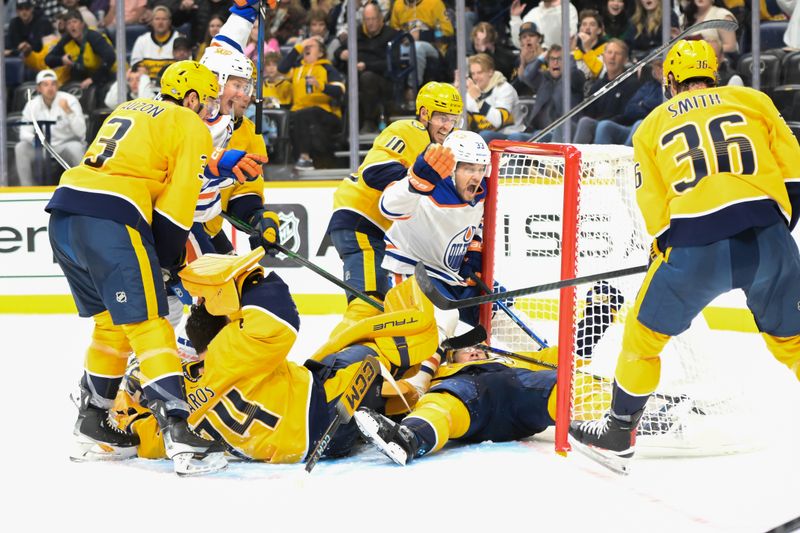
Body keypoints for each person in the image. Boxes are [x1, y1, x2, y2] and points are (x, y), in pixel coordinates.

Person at [569, 40, 800, 474]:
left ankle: (619, 433)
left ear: (670, 82)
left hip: (698, 246)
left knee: (642, 339)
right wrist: (775, 235)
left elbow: (656, 217)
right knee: (795, 343)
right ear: (714, 72)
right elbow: (795, 173)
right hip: (769, 237)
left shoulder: (651, 126)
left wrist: (668, 257)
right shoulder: (754, 100)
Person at [45, 59, 266, 476]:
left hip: (65, 213)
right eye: (210, 102)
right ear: (193, 97)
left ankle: (94, 423)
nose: (212, 112)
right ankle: (181, 433)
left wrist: (214, 167)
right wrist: (165, 262)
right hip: (112, 219)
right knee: (152, 323)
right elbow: (176, 211)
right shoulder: (190, 122)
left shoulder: (127, 108)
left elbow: (138, 167)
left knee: (113, 323)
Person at [110, 252, 440, 463]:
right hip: (323, 409)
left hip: (302, 443)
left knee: (344, 347)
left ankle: (400, 388)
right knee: (367, 347)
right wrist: (246, 277)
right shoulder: (234, 348)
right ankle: (434, 352)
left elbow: (150, 441)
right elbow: (278, 314)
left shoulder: (179, 412)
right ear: (227, 326)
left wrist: (131, 415)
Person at [353, 288, 628, 466]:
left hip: (517, 395)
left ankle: (626, 418)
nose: (473, 350)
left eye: (477, 346)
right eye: (465, 348)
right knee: (441, 405)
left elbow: (566, 356)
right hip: (468, 403)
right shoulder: (439, 373)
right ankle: (410, 439)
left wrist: (597, 315)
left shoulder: (509, 362)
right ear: (450, 355)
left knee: (566, 384)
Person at [326, 81, 463, 336]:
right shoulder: (408, 130)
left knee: (384, 309)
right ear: (424, 114)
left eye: (453, 118)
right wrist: (414, 176)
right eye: (442, 117)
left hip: (378, 231)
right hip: (360, 219)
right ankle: (331, 363)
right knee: (367, 305)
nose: (448, 125)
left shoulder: (437, 146)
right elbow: (373, 172)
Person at [380, 130, 488, 328]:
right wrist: (414, 183)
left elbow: (478, 225)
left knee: (502, 309)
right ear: (452, 169)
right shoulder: (429, 187)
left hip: (453, 278)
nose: (477, 177)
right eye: (469, 169)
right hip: (414, 274)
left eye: (481, 169)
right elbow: (388, 207)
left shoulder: (481, 192)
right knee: (444, 321)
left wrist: (473, 254)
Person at [278, 35, 346, 170]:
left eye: (312, 45)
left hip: (325, 112)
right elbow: (282, 68)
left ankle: (305, 158)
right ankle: (282, 162)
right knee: (290, 116)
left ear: (320, 52)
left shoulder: (327, 68)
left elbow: (339, 90)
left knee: (307, 113)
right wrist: (298, 47)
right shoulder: (297, 69)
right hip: (298, 111)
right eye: (306, 46)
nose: (307, 47)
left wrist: (320, 85)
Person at [333, 1, 398, 133]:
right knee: (346, 83)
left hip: (384, 79)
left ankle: (369, 121)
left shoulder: (391, 35)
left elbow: (393, 62)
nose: (370, 23)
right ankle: (344, 131)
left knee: (367, 78)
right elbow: (338, 50)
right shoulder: (357, 33)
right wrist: (342, 54)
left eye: (373, 19)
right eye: (367, 19)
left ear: (381, 19)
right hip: (357, 78)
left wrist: (367, 66)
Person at [15, 69, 86, 186]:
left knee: (77, 148)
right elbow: (23, 133)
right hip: (42, 147)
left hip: (64, 145)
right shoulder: (32, 105)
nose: (50, 88)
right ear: (39, 88)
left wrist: (68, 111)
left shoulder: (69, 100)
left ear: (57, 86)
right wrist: (36, 140)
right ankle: (26, 187)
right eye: (45, 84)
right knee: (21, 147)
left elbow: (81, 133)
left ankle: (84, 186)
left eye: (53, 84)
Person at [45, 8, 117, 88]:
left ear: (82, 24)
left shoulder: (93, 37)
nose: (72, 25)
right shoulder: (66, 40)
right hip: (86, 73)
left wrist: (93, 79)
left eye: (75, 22)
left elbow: (110, 57)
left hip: (110, 72)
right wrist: (61, 60)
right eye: (68, 23)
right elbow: (48, 59)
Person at [462, 53, 524, 142]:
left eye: (479, 73)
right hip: (486, 136)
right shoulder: (472, 92)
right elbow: (464, 124)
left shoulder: (504, 89)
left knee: (485, 135)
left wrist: (478, 99)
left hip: (512, 135)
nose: (476, 77)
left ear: (490, 72)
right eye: (473, 74)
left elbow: (498, 121)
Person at [129, 5, 184, 79]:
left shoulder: (180, 39)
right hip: (147, 85)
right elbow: (135, 64)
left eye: (164, 19)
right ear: (152, 22)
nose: (160, 22)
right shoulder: (142, 40)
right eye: (157, 19)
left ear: (170, 22)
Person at [509, 0, 578, 51]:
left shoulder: (568, 9)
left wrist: (555, 10)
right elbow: (520, 43)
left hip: (559, 61)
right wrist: (515, 18)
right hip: (535, 62)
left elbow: (569, 39)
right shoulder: (533, 13)